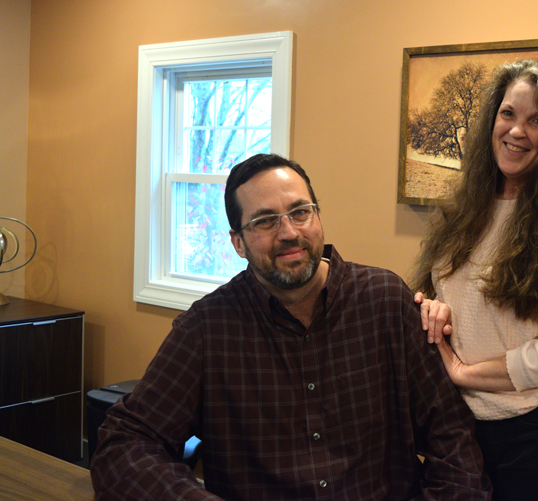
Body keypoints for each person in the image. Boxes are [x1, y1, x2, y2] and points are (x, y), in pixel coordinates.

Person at [91, 154, 491, 500]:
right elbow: (123, 445)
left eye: (300, 212)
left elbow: (453, 440)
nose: (289, 233)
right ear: (238, 243)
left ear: (317, 216)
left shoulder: (386, 302)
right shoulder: (207, 329)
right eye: (265, 222)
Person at [411, 59, 538, 501]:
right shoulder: (465, 210)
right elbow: (444, 295)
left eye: (537, 121)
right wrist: (434, 308)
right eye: (508, 114)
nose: (517, 131)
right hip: (467, 429)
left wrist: (464, 372)